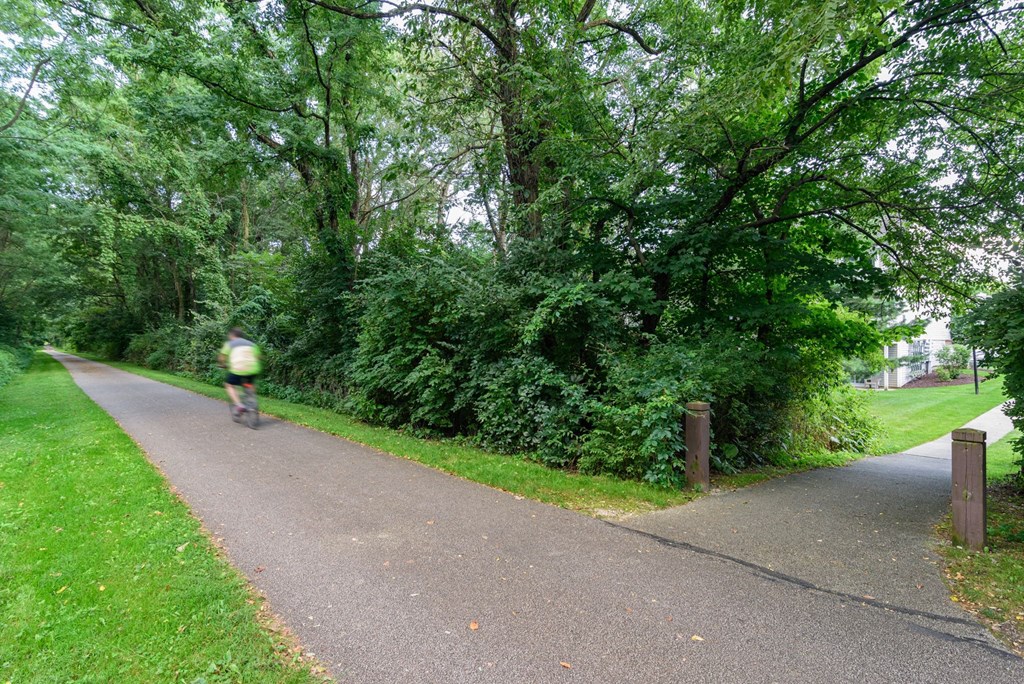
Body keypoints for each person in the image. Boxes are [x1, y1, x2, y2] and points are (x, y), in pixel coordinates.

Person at [218, 327, 262, 416]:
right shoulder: (252, 344)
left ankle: (239, 405)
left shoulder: (229, 344)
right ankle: (252, 402)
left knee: (229, 385)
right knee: (250, 383)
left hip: (238, 369)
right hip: (253, 369)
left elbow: (222, 358)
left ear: (232, 335)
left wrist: (222, 365)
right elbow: (258, 357)